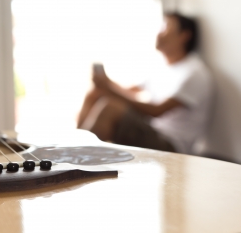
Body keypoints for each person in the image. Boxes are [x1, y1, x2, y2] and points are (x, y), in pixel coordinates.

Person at [77, 12, 213, 154]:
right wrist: (105, 84)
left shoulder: (194, 73)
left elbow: (157, 111)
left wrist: (109, 89)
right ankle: (73, 148)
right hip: (152, 130)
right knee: (95, 94)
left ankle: (79, 157)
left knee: (110, 108)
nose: (159, 33)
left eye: (166, 27)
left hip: (171, 143)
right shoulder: (162, 67)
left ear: (184, 36)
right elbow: (129, 92)